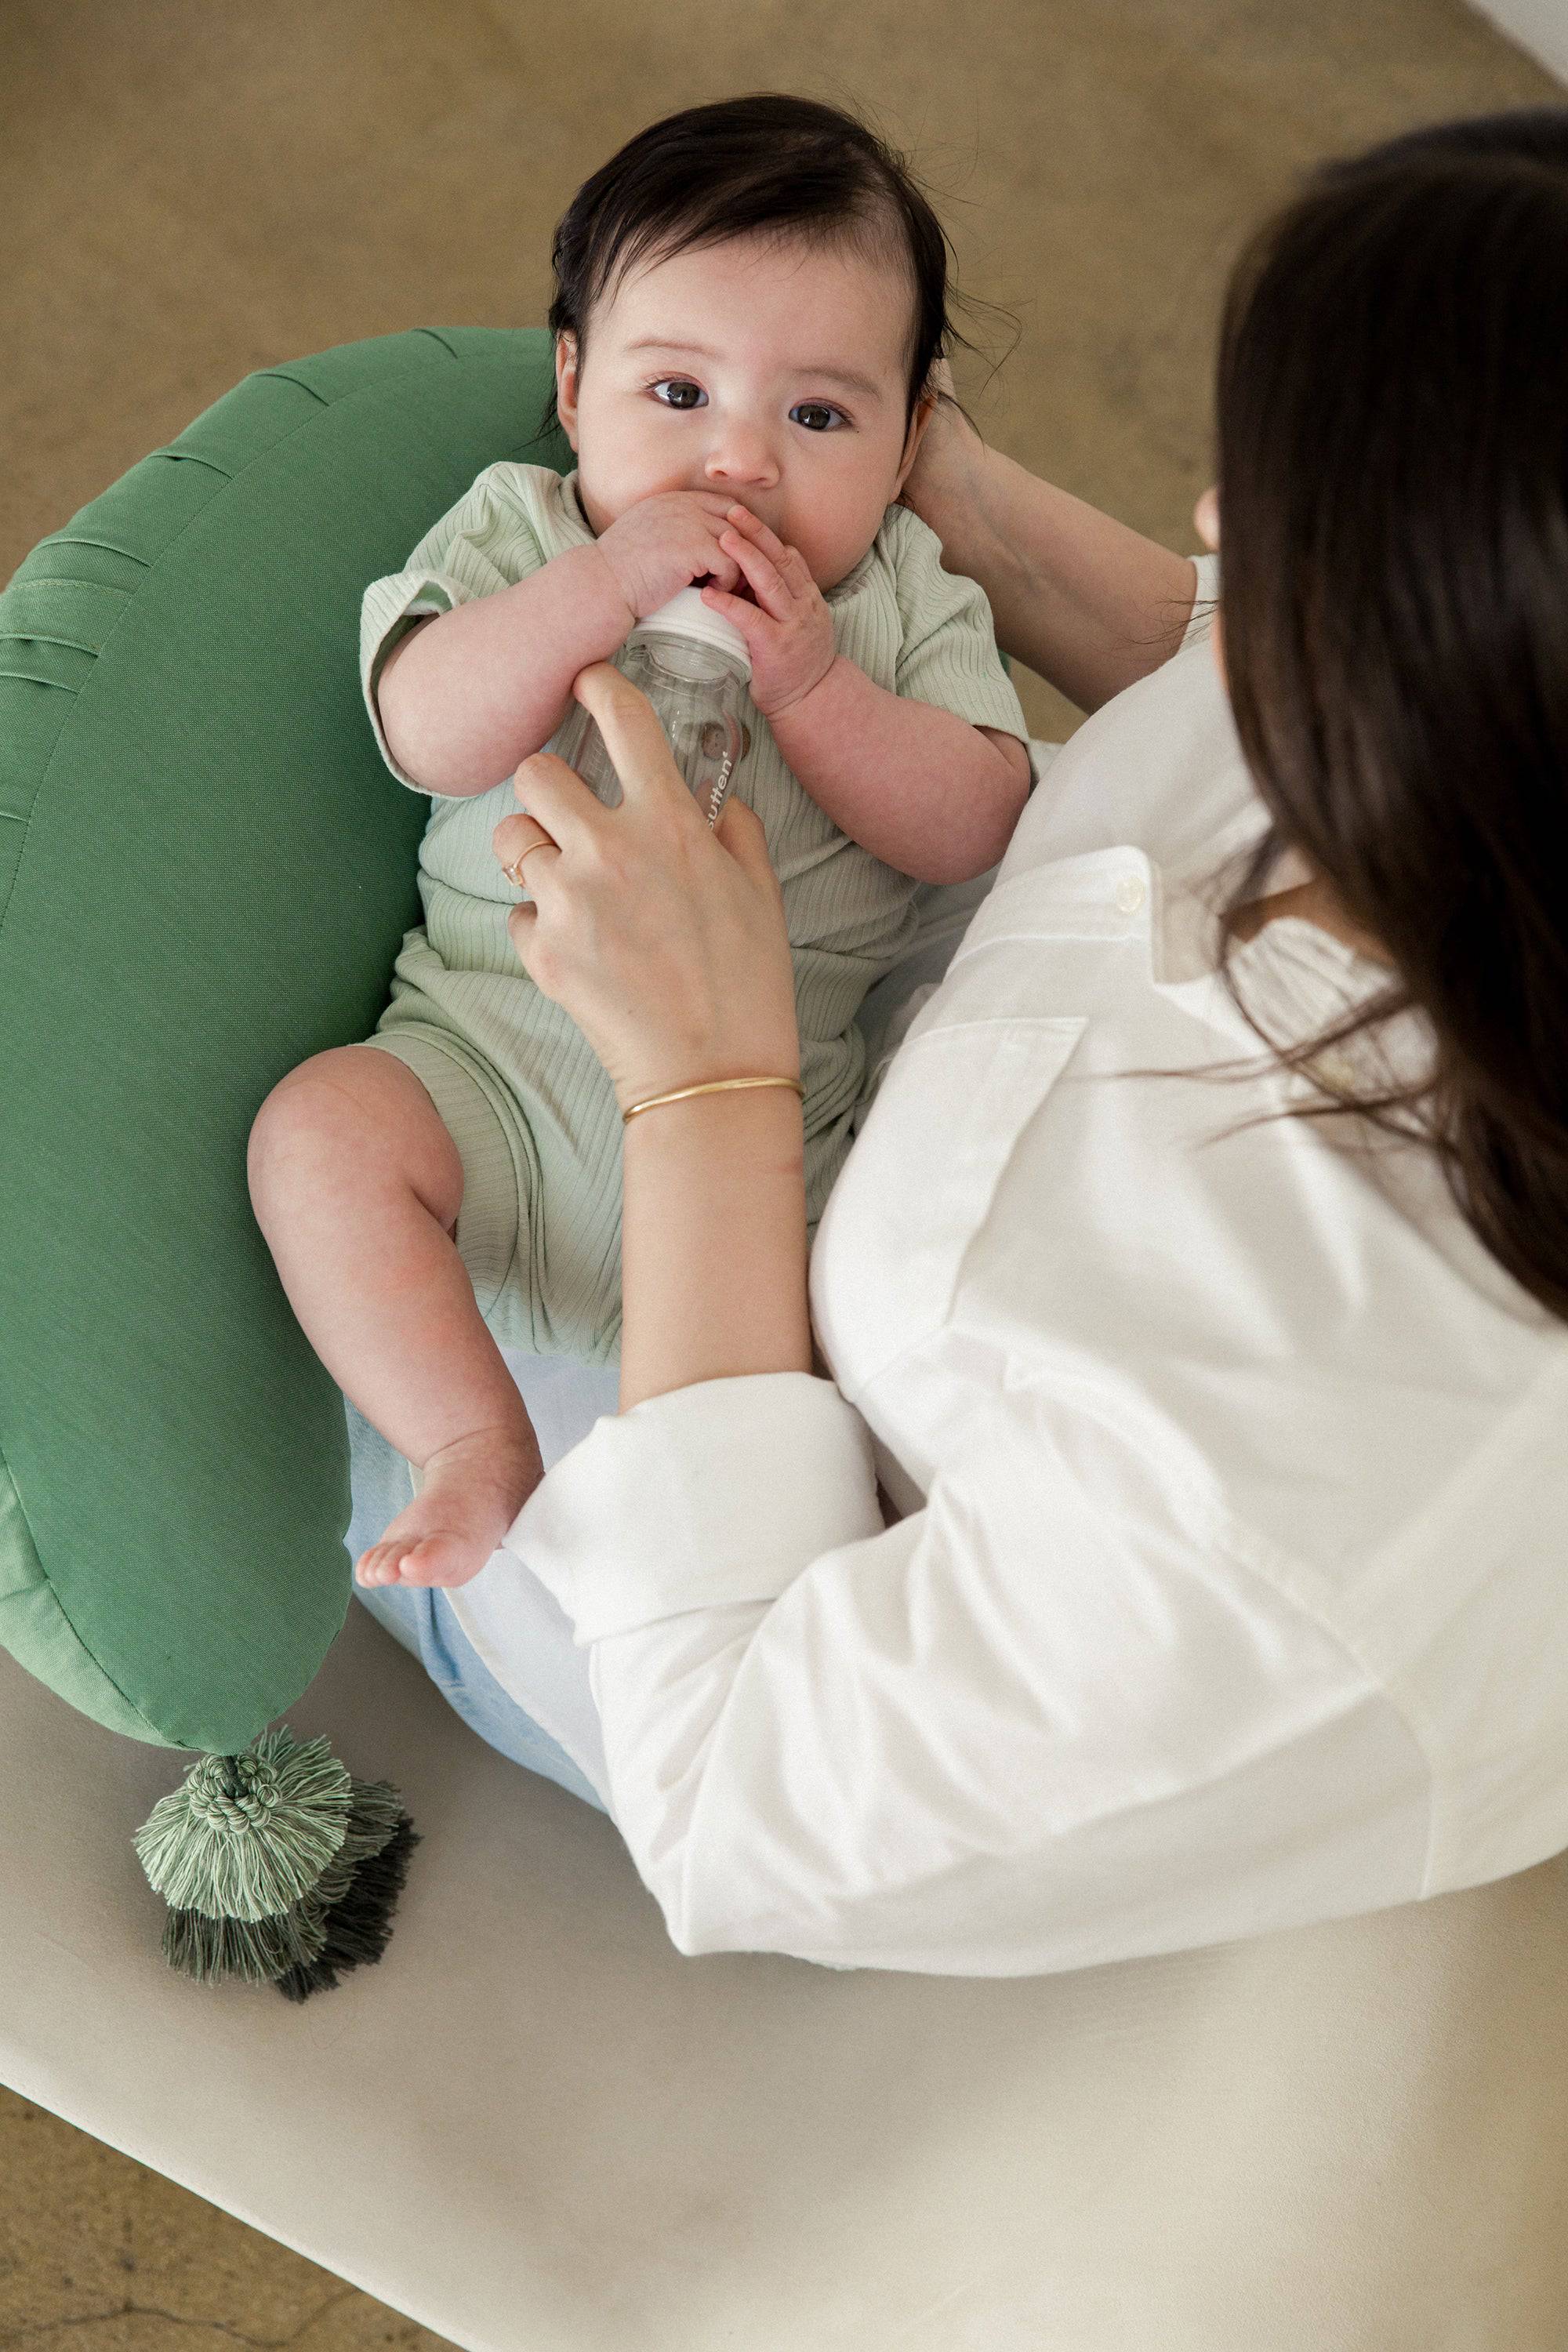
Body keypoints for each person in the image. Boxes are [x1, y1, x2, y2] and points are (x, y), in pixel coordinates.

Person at [358, 104, 1568, 1976]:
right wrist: (947, 496)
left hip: (685, 1521)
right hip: (682, 1104)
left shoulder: (1302, 1510)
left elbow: (724, 1792)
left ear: (1468, 656)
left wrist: (708, 1091)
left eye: (1292, 508)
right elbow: (1225, 645)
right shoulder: (1446, 756)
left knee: (292, 1272)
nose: (1213, 524)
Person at [245, 92, 1033, 1595]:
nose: (737, 464)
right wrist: (595, 590)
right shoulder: (523, 533)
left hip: (776, 1155)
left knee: (899, 1351)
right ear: (571, 380)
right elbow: (428, 727)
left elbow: (975, 823)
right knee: (318, 1139)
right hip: (490, 1069)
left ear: (914, 437)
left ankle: (833, 1590)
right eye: (677, 395)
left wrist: (815, 686)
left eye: (817, 416)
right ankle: (471, 1438)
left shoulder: (898, 600)